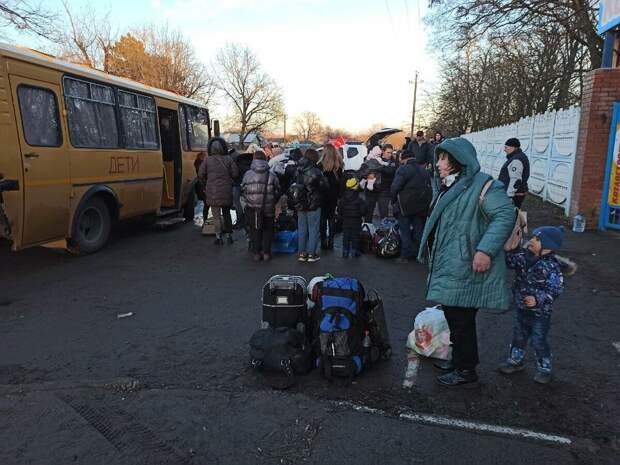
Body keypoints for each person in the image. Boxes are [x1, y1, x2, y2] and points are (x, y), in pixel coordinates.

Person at [417, 137, 515, 387]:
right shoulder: (451, 185)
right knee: (454, 315)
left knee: (462, 319)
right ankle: (459, 361)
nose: (438, 163)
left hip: (466, 263)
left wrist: (485, 250)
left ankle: (465, 369)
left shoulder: (483, 185)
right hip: (452, 263)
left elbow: (505, 215)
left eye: (442, 159)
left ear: (458, 161)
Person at [498, 226, 565, 384]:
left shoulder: (552, 267)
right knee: (519, 335)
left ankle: (544, 369)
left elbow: (556, 289)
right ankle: (515, 361)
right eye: (533, 237)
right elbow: (509, 262)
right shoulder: (523, 257)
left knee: (538, 340)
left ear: (548, 248)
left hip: (540, 313)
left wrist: (538, 299)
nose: (532, 240)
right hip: (522, 308)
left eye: (537, 239)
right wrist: (508, 250)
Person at [390, 150, 431, 263]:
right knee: (418, 230)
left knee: (405, 231)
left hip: (405, 205)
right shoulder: (424, 171)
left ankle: (405, 256)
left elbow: (395, 187)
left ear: (404, 158)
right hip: (420, 206)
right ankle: (418, 254)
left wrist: (393, 201)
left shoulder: (403, 169)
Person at [198, 137, 239, 245]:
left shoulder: (207, 160)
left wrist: (205, 183)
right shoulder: (229, 159)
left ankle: (218, 237)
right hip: (226, 190)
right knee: (226, 214)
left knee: (216, 215)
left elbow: (200, 174)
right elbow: (235, 173)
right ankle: (229, 236)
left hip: (212, 191)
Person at [241, 151, 280, 262]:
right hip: (268, 208)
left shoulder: (247, 174)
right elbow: (277, 190)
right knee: (268, 229)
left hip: (252, 208)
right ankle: (267, 253)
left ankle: (257, 253)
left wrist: (249, 201)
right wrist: (272, 201)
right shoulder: (272, 175)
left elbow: (243, 190)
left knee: (254, 230)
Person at [289, 148, 327, 262]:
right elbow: (325, 187)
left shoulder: (298, 170)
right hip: (314, 204)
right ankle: (311, 254)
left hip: (300, 204)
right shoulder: (316, 172)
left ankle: (302, 253)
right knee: (313, 229)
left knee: (302, 229)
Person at [361, 144, 397, 222]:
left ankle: (385, 231)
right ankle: (367, 230)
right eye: (388, 152)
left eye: (391, 153)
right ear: (382, 152)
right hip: (371, 191)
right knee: (368, 212)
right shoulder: (374, 158)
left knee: (384, 213)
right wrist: (368, 174)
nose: (390, 155)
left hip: (384, 191)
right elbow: (363, 170)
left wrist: (378, 166)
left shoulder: (393, 162)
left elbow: (390, 171)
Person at [319, 143, 343, 250]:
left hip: (323, 195)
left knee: (323, 219)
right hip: (334, 195)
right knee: (332, 218)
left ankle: (323, 241)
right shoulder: (339, 165)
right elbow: (340, 183)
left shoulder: (320, 165)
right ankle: (331, 241)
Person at [339, 177, 366, 258]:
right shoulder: (359, 199)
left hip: (346, 221)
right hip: (356, 221)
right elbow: (363, 211)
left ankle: (345, 252)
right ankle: (354, 252)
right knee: (355, 236)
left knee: (346, 236)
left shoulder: (343, 198)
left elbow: (340, 210)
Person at [499, 138, 530, 209]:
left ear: (513, 147)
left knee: (510, 215)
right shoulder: (517, 157)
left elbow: (515, 180)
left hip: (515, 195)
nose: (504, 149)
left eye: (506, 147)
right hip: (516, 194)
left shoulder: (517, 159)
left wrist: (509, 196)